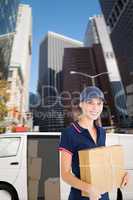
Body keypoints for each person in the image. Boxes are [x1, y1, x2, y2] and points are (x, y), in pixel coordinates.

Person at [59, 86, 128, 200]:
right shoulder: (69, 132)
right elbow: (65, 174)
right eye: (90, 102)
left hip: (103, 195)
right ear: (81, 104)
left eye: (99, 103)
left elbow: (103, 164)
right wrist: (88, 188)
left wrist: (121, 175)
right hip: (80, 196)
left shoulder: (101, 132)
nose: (95, 107)